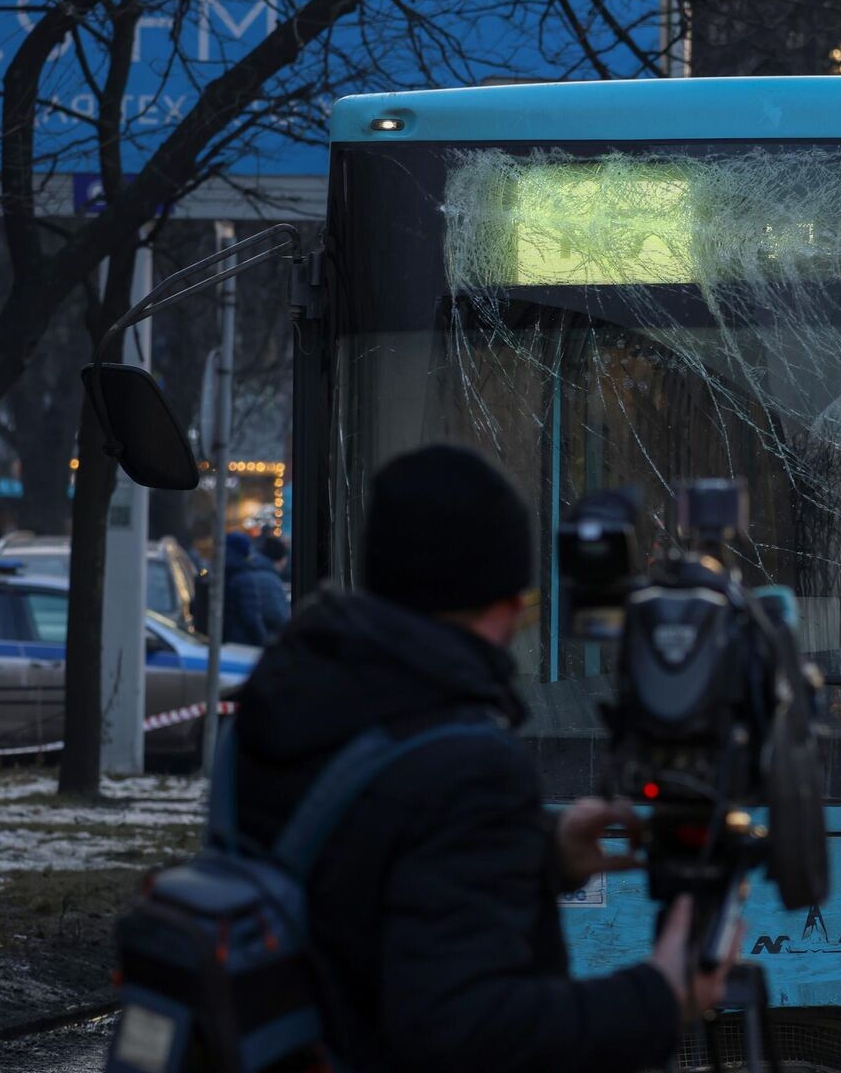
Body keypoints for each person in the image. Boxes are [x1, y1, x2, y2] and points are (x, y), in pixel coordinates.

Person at [232, 445, 728, 1071]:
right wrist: (659, 998)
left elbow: (359, 885)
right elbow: (467, 1034)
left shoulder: (290, 693)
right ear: (503, 604)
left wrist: (539, 851)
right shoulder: (467, 762)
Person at [222, 531, 290, 645]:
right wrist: (265, 641)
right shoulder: (247, 578)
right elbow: (254, 618)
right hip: (243, 645)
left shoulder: (225, 576)